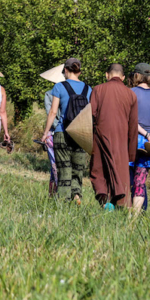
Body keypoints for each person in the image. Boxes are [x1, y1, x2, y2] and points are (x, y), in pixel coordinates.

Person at [40, 57, 90, 203]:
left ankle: (63, 200)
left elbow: (53, 112)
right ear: (79, 71)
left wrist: (45, 133)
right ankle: (77, 195)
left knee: (64, 169)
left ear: (66, 70)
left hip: (62, 132)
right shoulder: (88, 89)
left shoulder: (59, 87)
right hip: (80, 134)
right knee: (77, 169)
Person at [90, 63, 139, 210]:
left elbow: (91, 116)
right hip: (121, 140)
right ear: (123, 77)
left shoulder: (98, 89)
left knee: (99, 171)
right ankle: (121, 205)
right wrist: (131, 153)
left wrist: (88, 142)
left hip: (100, 136)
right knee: (120, 171)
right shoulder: (131, 94)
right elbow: (133, 125)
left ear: (107, 75)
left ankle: (105, 202)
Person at [38, 64, 65, 196]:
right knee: (60, 165)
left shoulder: (49, 94)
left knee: (55, 165)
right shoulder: (70, 93)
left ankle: (55, 193)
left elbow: (51, 113)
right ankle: (55, 194)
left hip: (53, 132)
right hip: (66, 132)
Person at [130, 63, 150, 211]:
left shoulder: (130, 93)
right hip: (148, 144)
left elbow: (130, 120)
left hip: (132, 140)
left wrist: (144, 133)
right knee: (140, 180)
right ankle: (138, 214)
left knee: (127, 179)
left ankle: (127, 211)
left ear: (136, 75)